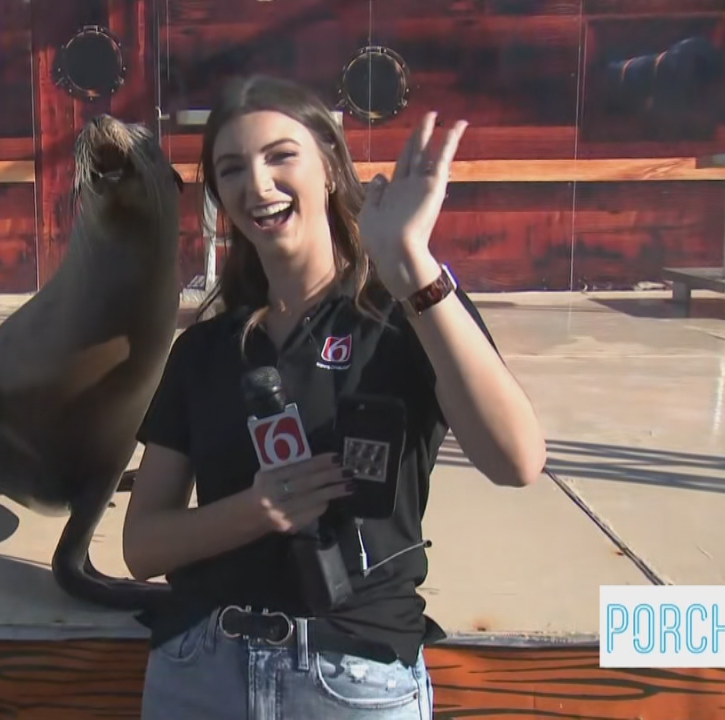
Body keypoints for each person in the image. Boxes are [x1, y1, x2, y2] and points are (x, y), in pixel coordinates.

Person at [121, 75, 547, 719]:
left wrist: (413, 268)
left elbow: (516, 461)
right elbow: (143, 547)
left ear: (328, 166)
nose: (257, 185)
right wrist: (259, 509)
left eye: (280, 156)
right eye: (231, 169)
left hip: (354, 678)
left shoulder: (407, 317)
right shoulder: (204, 351)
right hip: (200, 670)